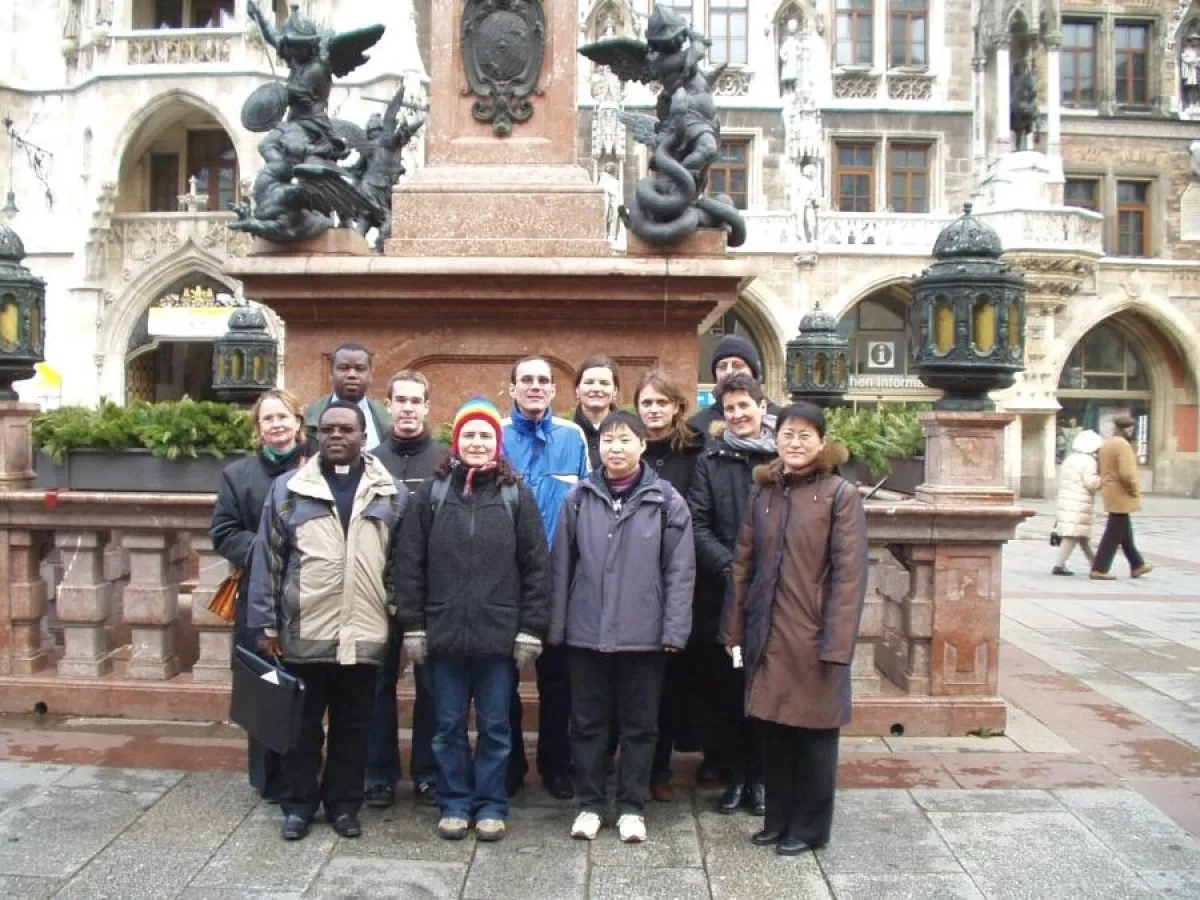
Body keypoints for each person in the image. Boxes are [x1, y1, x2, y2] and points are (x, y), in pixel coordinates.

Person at [248, 401, 408, 842]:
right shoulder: (288, 489)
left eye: (347, 430)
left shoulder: (390, 492)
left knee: (353, 725)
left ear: (363, 436)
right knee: (301, 726)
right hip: (306, 628)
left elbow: (399, 563)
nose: (337, 436)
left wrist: (398, 617)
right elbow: (268, 560)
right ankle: (299, 804)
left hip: (364, 629)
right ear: (317, 435)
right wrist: (265, 624)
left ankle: (343, 804)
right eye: (329, 429)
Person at [395, 398, 550, 843]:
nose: (477, 442)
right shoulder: (432, 494)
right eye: (469, 435)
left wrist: (529, 628)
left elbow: (537, 566)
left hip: (498, 638)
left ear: (497, 444)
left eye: (485, 435)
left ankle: (491, 803)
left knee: (497, 727)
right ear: (456, 442)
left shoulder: (515, 495)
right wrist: (413, 624)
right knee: (446, 726)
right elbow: (410, 562)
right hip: (442, 635)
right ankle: (454, 802)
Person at [724, 402, 868, 856]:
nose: (796, 442)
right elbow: (743, 565)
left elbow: (850, 575)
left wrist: (837, 645)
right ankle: (778, 819)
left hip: (814, 635)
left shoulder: (839, 494)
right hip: (767, 632)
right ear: (776, 438)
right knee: (776, 731)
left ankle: (808, 828)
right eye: (788, 434)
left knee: (814, 737)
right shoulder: (765, 493)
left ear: (822, 442)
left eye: (806, 435)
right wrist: (733, 633)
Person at [550, 410, 695, 844]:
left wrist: (674, 630)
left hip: (643, 633)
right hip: (586, 631)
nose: (615, 448)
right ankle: (590, 804)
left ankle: (632, 806)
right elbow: (562, 567)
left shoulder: (666, 500)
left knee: (640, 725)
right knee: (589, 723)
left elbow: (680, 571)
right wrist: (556, 628)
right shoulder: (579, 498)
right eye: (608, 440)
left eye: (624, 440)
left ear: (642, 445)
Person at [210, 388, 312, 803]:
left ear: (298, 423)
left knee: (306, 688)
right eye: (268, 419)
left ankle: (305, 771)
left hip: (307, 596)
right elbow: (224, 532)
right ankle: (268, 778)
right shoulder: (238, 476)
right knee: (265, 686)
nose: (277, 425)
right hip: (258, 594)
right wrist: (267, 547)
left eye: (284, 417)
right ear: (258, 428)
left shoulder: (317, 468)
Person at [687, 372, 778, 813]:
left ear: (762, 408)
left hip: (779, 593)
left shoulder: (785, 457)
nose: (739, 415)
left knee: (766, 687)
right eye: (730, 409)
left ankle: (762, 777)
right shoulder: (712, 458)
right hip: (727, 592)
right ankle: (737, 777)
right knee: (729, 688)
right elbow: (698, 522)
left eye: (746, 406)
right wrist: (731, 568)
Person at [503, 355, 591, 800]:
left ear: (555, 390)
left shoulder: (573, 436)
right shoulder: (495, 435)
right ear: (512, 388)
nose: (535, 387)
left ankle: (556, 764)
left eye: (543, 380)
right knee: (504, 680)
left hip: (559, 579)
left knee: (558, 682)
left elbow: (588, 503)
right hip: (504, 580)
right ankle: (510, 765)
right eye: (526, 380)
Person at [365, 370, 448, 809]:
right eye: (401, 400)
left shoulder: (445, 460)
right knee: (378, 686)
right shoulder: (370, 459)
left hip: (429, 593)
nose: (409, 409)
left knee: (430, 686)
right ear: (389, 405)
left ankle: (428, 772)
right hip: (376, 592)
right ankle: (379, 772)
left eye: (417, 400)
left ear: (428, 406)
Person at [634, 370, 706, 802]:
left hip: (678, 580)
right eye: (647, 403)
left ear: (678, 407)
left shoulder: (696, 452)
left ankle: (658, 770)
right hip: (633, 582)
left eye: (663, 402)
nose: (655, 410)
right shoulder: (624, 448)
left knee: (665, 686)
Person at [1091, 414, 1153, 581]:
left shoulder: (1108, 443)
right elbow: (1127, 473)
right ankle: (1099, 567)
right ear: (1128, 429)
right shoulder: (1123, 445)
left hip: (1110, 489)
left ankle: (1137, 564)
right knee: (1114, 531)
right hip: (1121, 490)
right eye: (1132, 428)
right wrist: (1134, 490)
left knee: (1123, 529)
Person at [303, 342, 391, 449]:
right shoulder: (309, 417)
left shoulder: (387, 419)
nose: (352, 375)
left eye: (360, 369)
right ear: (331, 374)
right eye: (343, 368)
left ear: (370, 375)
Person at [689, 335, 780, 435]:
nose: (729, 371)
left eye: (737, 365)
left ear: (753, 373)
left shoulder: (781, 419)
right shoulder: (697, 425)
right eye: (722, 366)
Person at [1051, 429, 1103, 576]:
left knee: (1081, 536)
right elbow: (1091, 483)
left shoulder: (1070, 459)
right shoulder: (1089, 462)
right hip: (1079, 502)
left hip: (1066, 500)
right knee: (1073, 534)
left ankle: (1096, 565)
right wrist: (1104, 479)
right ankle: (1059, 565)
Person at [573, 355, 621, 469]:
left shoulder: (630, 434)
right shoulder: (566, 434)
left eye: (604, 383)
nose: (596, 389)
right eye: (589, 382)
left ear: (615, 391)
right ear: (577, 390)